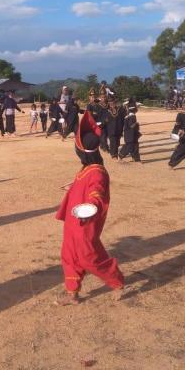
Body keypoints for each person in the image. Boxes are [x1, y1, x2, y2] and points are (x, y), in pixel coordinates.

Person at [55, 111, 125, 305]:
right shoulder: (87, 168)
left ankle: (117, 282)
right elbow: (85, 185)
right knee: (69, 255)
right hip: (72, 221)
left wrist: (91, 207)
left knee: (89, 257)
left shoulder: (97, 173)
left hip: (85, 222)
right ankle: (72, 293)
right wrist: (73, 186)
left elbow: (97, 193)